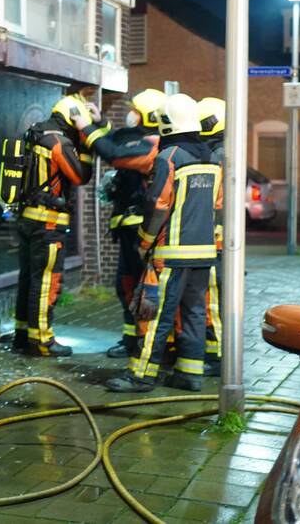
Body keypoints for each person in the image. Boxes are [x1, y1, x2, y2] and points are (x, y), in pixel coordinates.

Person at [105, 93, 221, 393]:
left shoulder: (168, 158)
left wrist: (144, 241)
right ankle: (189, 374)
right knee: (194, 312)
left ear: (166, 123)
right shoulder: (209, 157)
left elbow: (157, 204)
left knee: (154, 314)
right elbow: (217, 204)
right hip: (203, 254)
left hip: (170, 253)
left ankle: (141, 376)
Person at [78, 89, 164, 362]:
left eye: (135, 110)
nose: (131, 114)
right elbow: (116, 139)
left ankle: (143, 343)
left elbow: (113, 152)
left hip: (140, 227)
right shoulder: (139, 139)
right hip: (128, 225)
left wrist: (85, 128)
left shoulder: (152, 144)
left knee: (141, 288)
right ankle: (131, 338)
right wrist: (100, 123)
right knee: (125, 284)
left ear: (146, 116)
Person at [12, 94, 94, 357]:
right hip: (48, 222)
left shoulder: (33, 134)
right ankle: (43, 342)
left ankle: (22, 336)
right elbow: (81, 175)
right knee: (46, 280)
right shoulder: (58, 142)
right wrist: (88, 144)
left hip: (27, 218)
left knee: (27, 278)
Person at [196, 97, 226, 377]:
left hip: (216, 238)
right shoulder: (224, 150)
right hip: (221, 238)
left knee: (213, 301)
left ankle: (217, 357)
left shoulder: (217, 155)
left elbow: (214, 201)